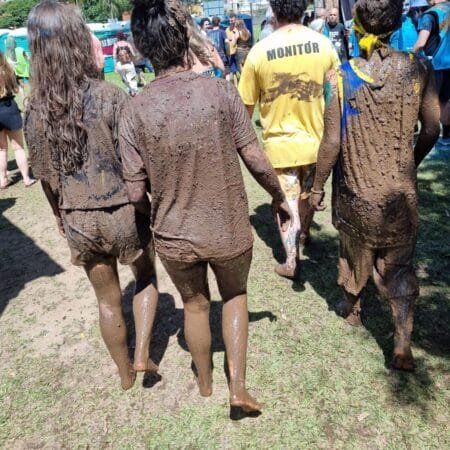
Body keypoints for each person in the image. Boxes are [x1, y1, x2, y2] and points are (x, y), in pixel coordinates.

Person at [122, 0, 291, 413]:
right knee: (234, 295)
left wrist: (154, 212)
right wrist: (278, 195)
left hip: (175, 234)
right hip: (228, 226)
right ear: (183, 38)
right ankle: (238, 388)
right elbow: (253, 156)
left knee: (194, 304)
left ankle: (204, 384)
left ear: (141, 47)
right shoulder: (218, 90)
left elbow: (133, 193)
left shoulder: (135, 109)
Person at [24, 0, 159, 389]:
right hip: (123, 214)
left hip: (77, 216)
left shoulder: (35, 108)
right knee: (146, 276)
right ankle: (141, 354)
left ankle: (123, 377)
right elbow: (137, 163)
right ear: (78, 42)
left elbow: (47, 178)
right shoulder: (111, 96)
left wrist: (58, 217)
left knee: (106, 300)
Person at [310, 0, 440, 370]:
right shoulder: (419, 69)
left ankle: (352, 308)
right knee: (399, 265)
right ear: (398, 20)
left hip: (356, 194)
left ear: (356, 22)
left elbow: (332, 143)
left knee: (355, 252)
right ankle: (401, 342)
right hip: (400, 195)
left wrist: (316, 187)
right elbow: (432, 128)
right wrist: (410, 164)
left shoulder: (339, 76)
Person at [239, 0, 341, 279]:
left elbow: (244, 110)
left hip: (279, 148)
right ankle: (304, 232)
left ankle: (291, 260)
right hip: (318, 143)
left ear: (274, 10)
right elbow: (334, 99)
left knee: (285, 201)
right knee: (307, 195)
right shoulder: (324, 46)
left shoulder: (259, 52)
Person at [413, 0, 450, 147]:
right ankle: (447, 135)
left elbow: (421, 43)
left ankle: (430, 136)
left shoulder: (430, 14)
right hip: (449, 63)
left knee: (430, 104)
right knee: (445, 101)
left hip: (436, 65)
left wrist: (410, 55)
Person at [0, 51, 36, 189]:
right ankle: (26, 179)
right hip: (10, 109)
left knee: (1, 150)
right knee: (19, 148)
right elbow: (16, 89)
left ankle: (2, 181)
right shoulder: (8, 70)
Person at [225, 13, 239, 86]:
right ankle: (236, 86)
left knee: (240, 70)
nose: (231, 21)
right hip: (230, 53)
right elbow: (226, 40)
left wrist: (231, 39)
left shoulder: (237, 29)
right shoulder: (227, 29)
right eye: (230, 20)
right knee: (233, 70)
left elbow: (236, 40)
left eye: (232, 20)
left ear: (235, 20)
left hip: (237, 52)